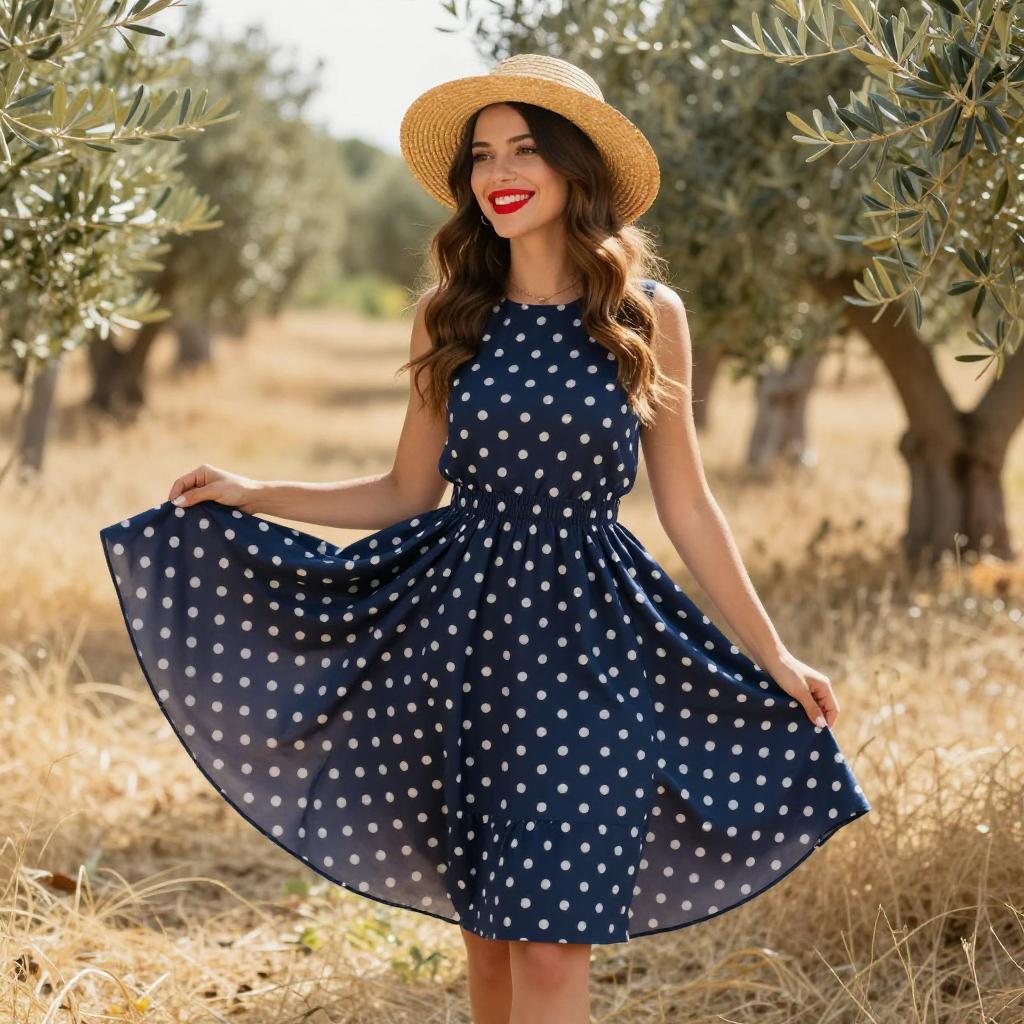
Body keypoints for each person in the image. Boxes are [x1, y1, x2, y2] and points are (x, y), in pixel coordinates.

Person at [99, 53, 870, 1024]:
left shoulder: (645, 317)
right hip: (466, 642)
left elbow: (687, 505)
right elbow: (405, 488)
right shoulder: (450, 314)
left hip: (595, 641)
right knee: (493, 940)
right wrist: (256, 491)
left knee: (551, 947)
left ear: (574, 170)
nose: (498, 173)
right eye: (481, 156)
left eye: (523, 152)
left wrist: (776, 651)